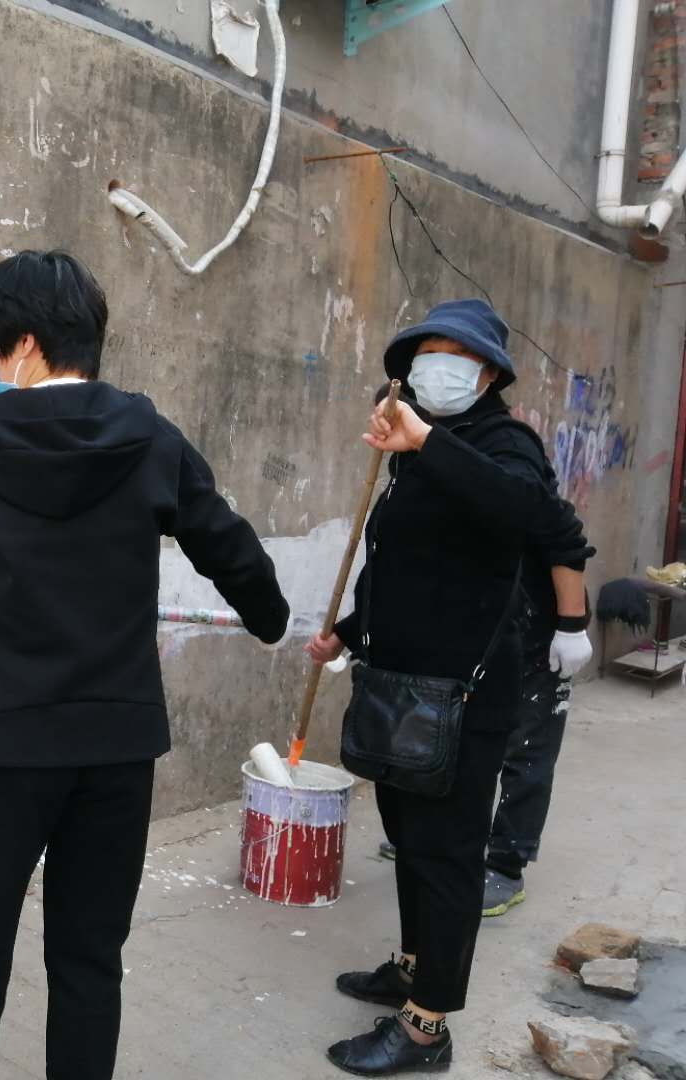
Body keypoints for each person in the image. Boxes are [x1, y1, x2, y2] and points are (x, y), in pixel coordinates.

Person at [0, 250, 289, 1080]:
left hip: (2, 738)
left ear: (22, 343)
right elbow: (226, 542)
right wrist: (270, 620)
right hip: (115, 740)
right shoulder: (150, 439)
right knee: (89, 959)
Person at [305, 299, 586, 1076]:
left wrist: (427, 442)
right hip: (402, 687)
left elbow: (533, 514)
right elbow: (402, 566)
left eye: (453, 355)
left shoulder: (502, 444)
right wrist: (349, 632)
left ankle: (427, 1027)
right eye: (424, 354)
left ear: (488, 370)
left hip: (464, 693)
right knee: (410, 839)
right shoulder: (415, 451)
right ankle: (411, 965)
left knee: (449, 853)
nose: (435, 368)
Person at [368, 386, 596, 920]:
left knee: (526, 744)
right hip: (481, 628)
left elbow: (562, 538)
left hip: (537, 623)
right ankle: (434, 842)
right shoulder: (419, 463)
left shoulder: (504, 461)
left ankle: (507, 864)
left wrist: (570, 626)